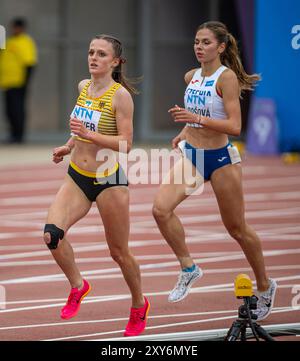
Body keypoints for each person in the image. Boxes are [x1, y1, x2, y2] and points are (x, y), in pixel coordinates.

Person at [152, 21, 277, 321]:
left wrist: (194, 117)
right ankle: (188, 268)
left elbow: (234, 126)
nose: (199, 47)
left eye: (206, 42)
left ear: (221, 47)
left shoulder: (227, 78)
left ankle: (264, 285)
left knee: (236, 229)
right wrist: (186, 128)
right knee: (160, 210)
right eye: (196, 41)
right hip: (193, 155)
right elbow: (205, 113)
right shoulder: (191, 76)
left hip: (221, 158)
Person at [43, 34, 150, 337]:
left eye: (101, 54)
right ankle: (79, 285)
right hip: (77, 175)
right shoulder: (83, 87)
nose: (93, 57)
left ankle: (138, 304)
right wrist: (68, 145)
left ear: (115, 62)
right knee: (52, 236)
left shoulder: (120, 96)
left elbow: (127, 144)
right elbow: (79, 127)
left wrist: (91, 136)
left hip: (108, 180)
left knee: (118, 252)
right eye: (91, 52)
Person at [0, 18, 37, 144]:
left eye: (16, 27)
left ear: (22, 28)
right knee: (9, 111)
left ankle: (19, 136)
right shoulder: (9, 41)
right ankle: (12, 135)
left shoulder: (25, 42)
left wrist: (25, 83)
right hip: (7, 83)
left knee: (17, 110)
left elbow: (30, 64)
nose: (14, 29)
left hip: (18, 83)